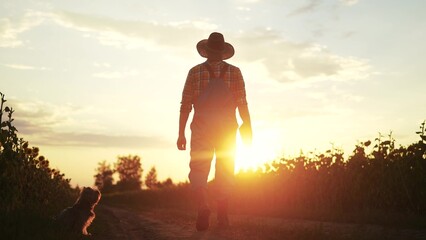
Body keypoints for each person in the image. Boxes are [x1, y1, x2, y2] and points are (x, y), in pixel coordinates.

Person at [177, 32, 252, 231]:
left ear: (207, 50)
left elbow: (185, 105)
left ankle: (203, 206)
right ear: (223, 51)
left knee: (199, 167)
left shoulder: (194, 72)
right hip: (227, 129)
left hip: (202, 128)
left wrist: (181, 133)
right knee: (225, 169)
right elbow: (242, 102)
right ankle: (223, 216)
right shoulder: (235, 72)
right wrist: (248, 127)